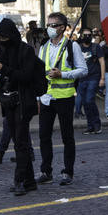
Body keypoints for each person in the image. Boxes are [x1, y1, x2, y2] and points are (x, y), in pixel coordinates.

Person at [0, 19, 45, 195]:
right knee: (19, 141)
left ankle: (19, 180)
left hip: (23, 101)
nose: (2, 41)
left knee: (20, 143)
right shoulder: (4, 50)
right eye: (0, 38)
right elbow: (4, 77)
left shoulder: (25, 50)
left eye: (5, 38)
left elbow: (25, 76)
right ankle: (29, 181)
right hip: (8, 101)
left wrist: (3, 69)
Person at [38, 12, 88, 186]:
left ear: (62, 27)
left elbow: (83, 70)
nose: (49, 28)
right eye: (48, 25)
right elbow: (39, 71)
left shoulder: (72, 46)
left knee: (67, 137)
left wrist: (63, 74)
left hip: (65, 97)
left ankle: (68, 172)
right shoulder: (44, 46)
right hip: (46, 98)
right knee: (44, 136)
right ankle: (46, 171)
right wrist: (38, 96)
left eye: (53, 25)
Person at [77, 27, 105, 135]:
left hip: (93, 78)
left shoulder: (96, 47)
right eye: (85, 35)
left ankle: (97, 125)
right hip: (82, 78)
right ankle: (90, 127)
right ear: (81, 36)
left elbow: (102, 62)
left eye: (89, 35)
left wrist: (102, 78)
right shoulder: (78, 48)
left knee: (89, 100)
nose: (87, 37)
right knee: (85, 103)